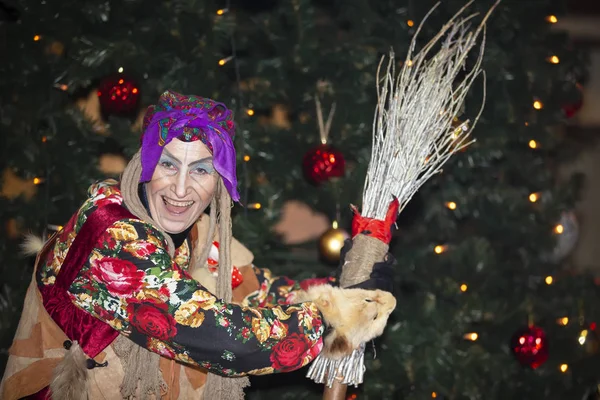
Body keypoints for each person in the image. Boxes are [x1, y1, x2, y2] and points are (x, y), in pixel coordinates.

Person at [0, 91, 395, 400]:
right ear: (145, 167)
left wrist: (342, 292)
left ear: (219, 183)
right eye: (169, 164)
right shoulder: (110, 232)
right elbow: (211, 331)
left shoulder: (200, 232)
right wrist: (329, 317)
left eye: (202, 169)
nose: (181, 188)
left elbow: (260, 290)